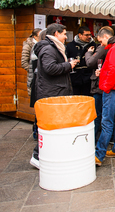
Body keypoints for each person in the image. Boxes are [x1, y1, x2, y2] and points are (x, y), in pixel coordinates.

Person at [31, 24, 78, 169]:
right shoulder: (48, 49)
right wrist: (69, 65)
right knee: (49, 127)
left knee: (53, 127)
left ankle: (47, 155)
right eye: (64, 33)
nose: (66, 36)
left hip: (55, 91)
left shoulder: (52, 48)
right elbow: (50, 68)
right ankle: (37, 156)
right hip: (52, 93)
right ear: (56, 33)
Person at [94, 31, 115, 166]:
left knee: (107, 122)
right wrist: (102, 72)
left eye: (101, 41)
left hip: (113, 89)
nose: (101, 44)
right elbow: (114, 69)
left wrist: (106, 86)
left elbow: (114, 70)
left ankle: (99, 155)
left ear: (106, 37)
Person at [85, 26, 112, 142]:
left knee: (99, 114)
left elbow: (90, 62)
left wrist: (88, 53)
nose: (100, 43)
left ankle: (96, 139)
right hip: (103, 84)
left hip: (100, 85)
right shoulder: (112, 47)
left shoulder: (103, 48)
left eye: (100, 40)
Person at [66, 26, 96, 96]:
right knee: (75, 98)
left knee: (88, 98)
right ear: (80, 35)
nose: (89, 37)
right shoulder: (70, 46)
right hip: (75, 77)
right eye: (86, 35)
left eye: (90, 35)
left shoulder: (94, 45)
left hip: (88, 76)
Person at [22, 28, 42, 94]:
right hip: (33, 76)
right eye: (39, 36)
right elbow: (24, 62)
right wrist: (32, 70)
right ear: (35, 37)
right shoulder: (28, 46)